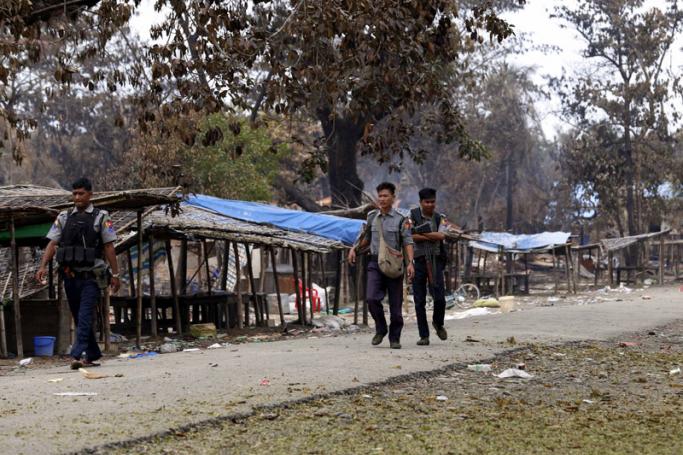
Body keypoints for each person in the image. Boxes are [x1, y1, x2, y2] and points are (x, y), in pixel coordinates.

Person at [35, 178, 121, 369]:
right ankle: (92, 354)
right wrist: (42, 266)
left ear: (90, 194)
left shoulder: (101, 217)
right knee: (77, 314)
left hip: (91, 277)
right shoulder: (64, 217)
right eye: (74, 193)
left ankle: (76, 355)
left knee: (84, 316)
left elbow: (109, 246)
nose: (77, 197)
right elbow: (52, 243)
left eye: (81, 193)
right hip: (70, 277)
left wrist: (116, 275)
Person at [348, 182, 414, 349]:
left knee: (395, 305)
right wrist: (354, 249)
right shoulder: (372, 217)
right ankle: (381, 328)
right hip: (375, 263)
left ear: (393, 198)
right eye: (380, 196)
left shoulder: (402, 219)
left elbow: (407, 243)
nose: (382, 199)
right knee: (371, 298)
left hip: (394, 266)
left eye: (386, 196)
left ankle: (395, 338)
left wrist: (410, 263)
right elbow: (365, 237)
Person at [410, 187, 449, 345]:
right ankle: (424, 335)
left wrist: (423, 234)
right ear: (421, 202)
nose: (430, 205)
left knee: (440, 298)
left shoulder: (440, 218)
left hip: (435, 260)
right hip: (418, 261)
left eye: (433, 202)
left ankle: (438, 323)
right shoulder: (412, 216)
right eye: (427, 202)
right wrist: (429, 236)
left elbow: (441, 235)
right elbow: (410, 235)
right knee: (419, 301)